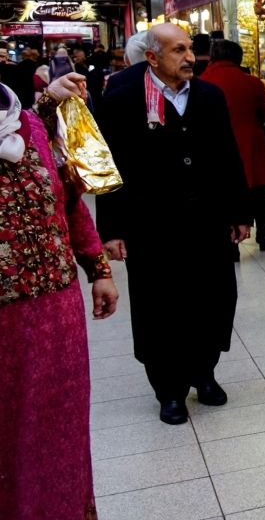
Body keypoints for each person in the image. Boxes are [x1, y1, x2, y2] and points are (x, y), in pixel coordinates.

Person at [96, 23, 250, 425]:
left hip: (207, 222)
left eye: (190, 49)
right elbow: (108, 167)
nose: (188, 57)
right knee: (160, 307)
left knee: (212, 299)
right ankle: (169, 389)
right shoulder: (123, 98)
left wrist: (239, 213)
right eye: (178, 50)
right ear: (152, 57)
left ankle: (205, 373)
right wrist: (110, 229)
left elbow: (228, 155)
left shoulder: (209, 96)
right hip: (151, 226)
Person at [0, 75, 119, 520]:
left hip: (56, 317)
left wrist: (98, 269)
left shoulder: (29, 126)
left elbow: (69, 203)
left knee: (58, 433)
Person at [202, 39, 265, 252]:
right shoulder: (252, 82)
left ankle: (231, 243)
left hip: (217, 147)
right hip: (252, 143)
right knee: (261, 194)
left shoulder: (202, 82)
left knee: (225, 193)